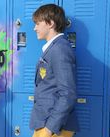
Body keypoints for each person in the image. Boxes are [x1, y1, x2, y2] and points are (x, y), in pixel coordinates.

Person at [30, 4, 79, 137]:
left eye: (37, 23)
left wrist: (49, 129)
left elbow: (68, 93)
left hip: (54, 127)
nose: (34, 28)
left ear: (50, 23)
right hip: (46, 123)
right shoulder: (53, 48)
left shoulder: (60, 49)